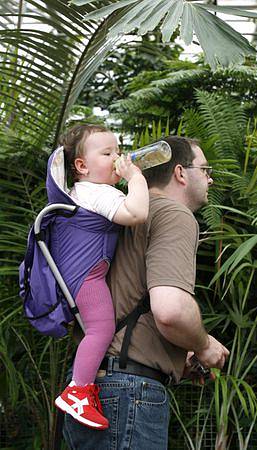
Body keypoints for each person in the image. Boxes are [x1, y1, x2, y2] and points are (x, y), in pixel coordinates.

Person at [62, 135, 229, 449]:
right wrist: (204, 345)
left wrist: (181, 352)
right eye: (204, 169)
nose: (210, 178)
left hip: (88, 389)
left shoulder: (118, 214)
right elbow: (170, 310)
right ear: (180, 173)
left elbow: (125, 297)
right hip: (129, 393)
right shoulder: (175, 215)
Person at [54, 124, 149, 429]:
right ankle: (77, 391)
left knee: (97, 330)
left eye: (117, 151)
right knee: (101, 330)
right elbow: (135, 214)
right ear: (81, 166)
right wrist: (136, 178)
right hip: (86, 276)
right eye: (107, 153)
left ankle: (81, 389)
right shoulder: (95, 192)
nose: (117, 158)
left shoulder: (83, 192)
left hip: (80, 274)